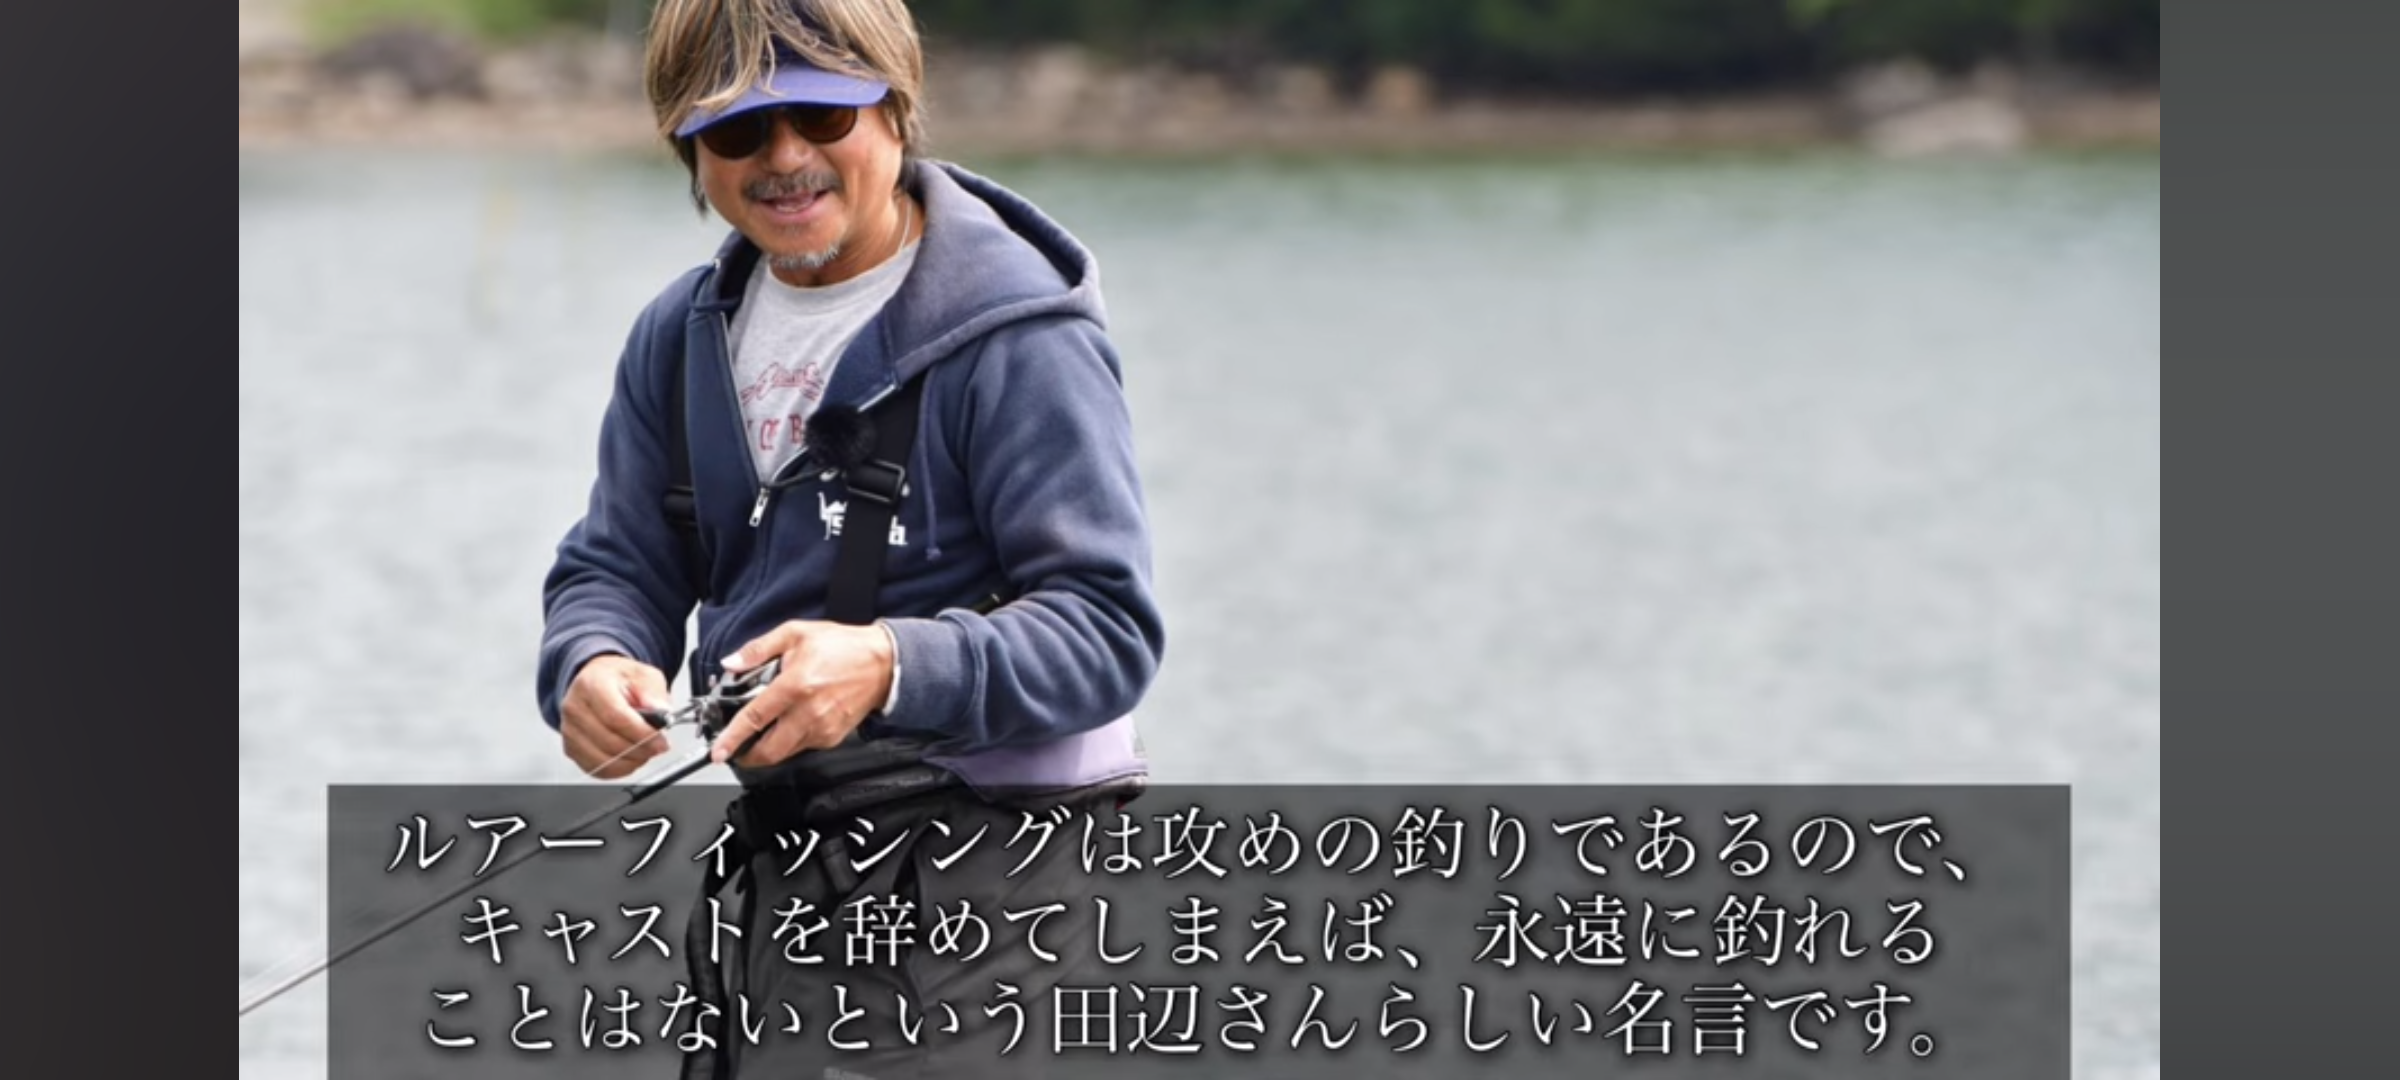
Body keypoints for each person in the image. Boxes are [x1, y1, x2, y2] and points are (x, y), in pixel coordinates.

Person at [533, 1, 1164, 1073]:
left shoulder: (1023, 341)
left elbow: (1108, 632)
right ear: (690, 148)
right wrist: (592, 661)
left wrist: (885, 664)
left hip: (1008, 895)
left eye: (824, 115)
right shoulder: (678, 336)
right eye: (740, 130)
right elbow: (618, 564)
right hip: (794, 881)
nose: (786, 158)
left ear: (895, 110)